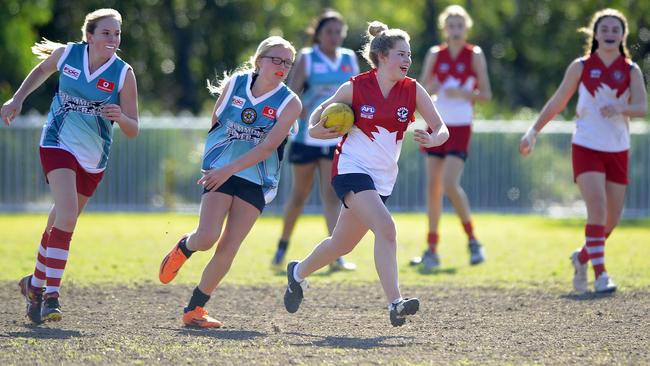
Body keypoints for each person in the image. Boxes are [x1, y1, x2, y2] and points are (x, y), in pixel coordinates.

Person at [282, 21, 449, 327]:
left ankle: (297, 273)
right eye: (401, 54)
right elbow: (316, 123)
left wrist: (434, 137)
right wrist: (322, 128)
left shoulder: (413, 90)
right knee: (386, 227)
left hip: (383, 178)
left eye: (409, 55)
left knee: (341, 244)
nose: (407, 60)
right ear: (382, 56)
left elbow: (441, 128)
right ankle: (395, 303)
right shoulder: (355, 87)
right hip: (350, 169)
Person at [1, 8, 139, 324]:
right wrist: (17, 99)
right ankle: (51, 296)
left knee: (58, 222)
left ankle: (33, 285)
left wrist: (122, 118)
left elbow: (134, 129)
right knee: (66, 216)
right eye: (106, 33)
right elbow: (41, 71)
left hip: (94, 158)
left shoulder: (123, 73)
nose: (113, 39)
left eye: (117, 33)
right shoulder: (68, 55)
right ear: (88, 35)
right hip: (57, 143)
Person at [158, 36, 301, 328]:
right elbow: (217, 122)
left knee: (229, 246)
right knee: (207, 236)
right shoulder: (235, 84)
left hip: (258, 178)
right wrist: (215, 163)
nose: (282, 66)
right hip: (221, 168)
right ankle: (185, 247)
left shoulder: (290, 102)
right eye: (276, 59)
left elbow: (266, 148)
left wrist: (230, 168)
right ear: (259, 60)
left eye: (287, 62)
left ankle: (194, 309)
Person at [519, 9, 647, 293]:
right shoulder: (581, 66)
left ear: (623, 35)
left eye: (616, 29)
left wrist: (620, 108)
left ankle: (582, 257)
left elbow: (642, 107)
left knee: (611, 221)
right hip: (586, 145)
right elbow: (558, 101)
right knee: (598, 210)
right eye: (605, 29)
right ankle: (601, 275)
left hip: (618, 149)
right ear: (595, 34)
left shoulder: (631, 70)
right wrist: (533, 131)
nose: (610, 34)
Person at [272, 9, 359, 272]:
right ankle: (282, 247)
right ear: (318, 34)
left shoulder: (349, 58)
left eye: (338, 31)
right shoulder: (308, 58)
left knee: (332, 196)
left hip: (334, 139)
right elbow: (292, 94)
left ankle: (336, 256)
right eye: (328, 31)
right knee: (299, 195)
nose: (334, 36)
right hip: (306, 136)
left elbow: (356, 95)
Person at [411, 5, 492, 271]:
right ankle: (432, 249)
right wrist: (431, 88)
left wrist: (465, 94)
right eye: (451, 25)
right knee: (433, 188)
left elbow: (486, 95)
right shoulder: (436, 54)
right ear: (444, 28)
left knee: (449, 183)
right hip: (436, 125)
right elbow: (420, 89)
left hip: (460, 127)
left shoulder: (474, 55)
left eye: (460, 25)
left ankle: (473, 240)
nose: (455, 30)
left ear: (466, 28)